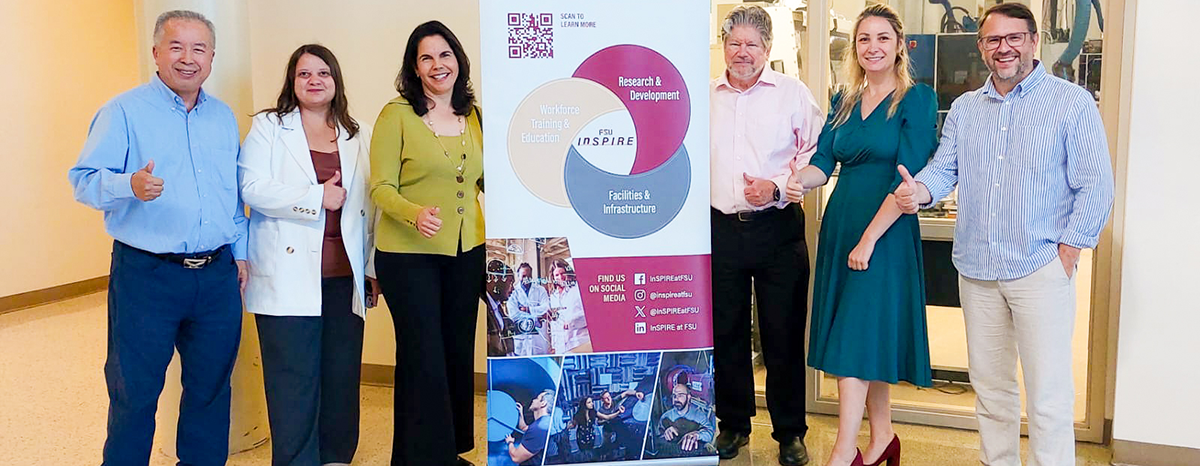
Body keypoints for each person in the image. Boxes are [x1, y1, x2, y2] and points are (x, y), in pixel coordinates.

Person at [893, 4, 1114, 466]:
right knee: (992, 392)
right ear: (981, 47)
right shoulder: (967, 110)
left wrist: (1068, 252)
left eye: (1013, 37)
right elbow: (943, 168)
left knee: (1048, 397)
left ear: (1034, 41)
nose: (1003, 48)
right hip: (977, 270)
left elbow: (1096, 184)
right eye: (993, 40)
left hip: (1039, 268)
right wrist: (920, 191)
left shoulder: (1069, 102)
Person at [68, 10, 246, 466]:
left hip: (217, 277)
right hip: (147, 277)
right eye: (176, 47)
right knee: (135, 392)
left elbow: (234, 197)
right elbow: (83, 180)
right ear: (156, 53)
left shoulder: (223, 117)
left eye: (199, 49)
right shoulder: (123, 111)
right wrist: (127, 185)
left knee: (211, 390)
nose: (188, 59)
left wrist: (240, 254)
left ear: (211, 57)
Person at [784, 5, 937, 466]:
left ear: (898, 46)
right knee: (866, 337)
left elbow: (907, 177)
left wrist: (869, 239)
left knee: (852, 342)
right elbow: (824, 163)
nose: (872, 47)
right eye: (864, 38)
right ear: (855, 47)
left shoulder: (916, 99)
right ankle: (883, 437)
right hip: (842, 225)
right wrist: (796, 180)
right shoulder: (843, 100)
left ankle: (842, 452)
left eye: (882, 38)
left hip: (884, 232)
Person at [238, 43, 378, 466]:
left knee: (340, 374)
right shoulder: (268, 127)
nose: (314, 81)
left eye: (323, 73)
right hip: (287, 274)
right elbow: (252, 189)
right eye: (304, 74)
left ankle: (336, 455)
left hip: (343, 274)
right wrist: (316, 198)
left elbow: (370, 207)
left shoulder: (358, 133)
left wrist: (371, 268)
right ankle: (297, 459)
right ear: (292, 82)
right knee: (292, 378)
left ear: (336, 81)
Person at [709, 5, 823, 464]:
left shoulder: (793, 94)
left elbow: (816, 155)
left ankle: (789, 432)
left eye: (751, 44)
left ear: (768, 49)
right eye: (734, 43)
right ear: (724, 46)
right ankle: (733, 425)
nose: (742, 52)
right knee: (727, 333)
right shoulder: (705, 95)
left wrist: (777, 185)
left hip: (778, 231)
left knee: (782, 334)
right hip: (720, 230)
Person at [369, 20, 484, 466]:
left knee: (457, 351)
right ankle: (419, 459)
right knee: (423, 356)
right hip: (407, 256)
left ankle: (448, 453)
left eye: (445, 55)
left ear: (458, 61)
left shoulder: (473, 114)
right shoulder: (396, 114)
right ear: (414, 68)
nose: (438, 65)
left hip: (466, 253)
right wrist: (413, 213)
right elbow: (379, 186)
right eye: (426, 57)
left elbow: (482, 179)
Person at [657, 381, 716, 456]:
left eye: (680, 395)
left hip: (694, 454)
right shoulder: (665, 416)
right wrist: (665, 433)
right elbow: (657, 439)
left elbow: (710, 434)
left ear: (688, 397)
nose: (676, 399)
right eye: (674, 395)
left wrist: (697, 435)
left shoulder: (699, 416)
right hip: (672, 454)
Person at [546, 259, 589, 354]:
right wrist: (554, 345)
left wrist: (571, 322)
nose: (561, 277)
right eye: (557, 275)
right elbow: (555, 324)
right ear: (553, 277)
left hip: (578, 343)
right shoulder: (553, 295)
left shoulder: (578, 290)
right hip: (561, 347)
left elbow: (589, 315)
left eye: (563, 273)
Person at [508, 262, 551, 356]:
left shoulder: (540, 290)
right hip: (521, 341)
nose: (526, 279)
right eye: (523, 276)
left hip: (539, 339)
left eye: (529, 276)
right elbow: (514, 315)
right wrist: (536, 318)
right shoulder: (513, 292)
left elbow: (546, 307)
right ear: (518, 276)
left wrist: (528, 309)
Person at [505, 389, 555, 466]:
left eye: (537, 398)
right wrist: (520, 414)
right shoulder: (543, 422)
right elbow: (525, 429)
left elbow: (516, 457)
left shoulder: (539, 429)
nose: (533, 400)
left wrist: (510, 442)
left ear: (543, 403)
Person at [596, 388, 645, 460]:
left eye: (609, 396)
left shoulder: (614, 400)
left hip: (617, 424)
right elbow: (598, 422)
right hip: (608, 428)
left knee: (624, 437)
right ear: (602, 400)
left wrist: (636, 393)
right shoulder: (601, 410)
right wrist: (607, 418)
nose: (609, 399)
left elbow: (626, 393)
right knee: (607, 445)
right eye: (606, 398)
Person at [485, 259, 516, 357]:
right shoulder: (482, 308)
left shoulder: (497, 308)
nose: (513, 288)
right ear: (494, 278)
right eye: (510, 282)